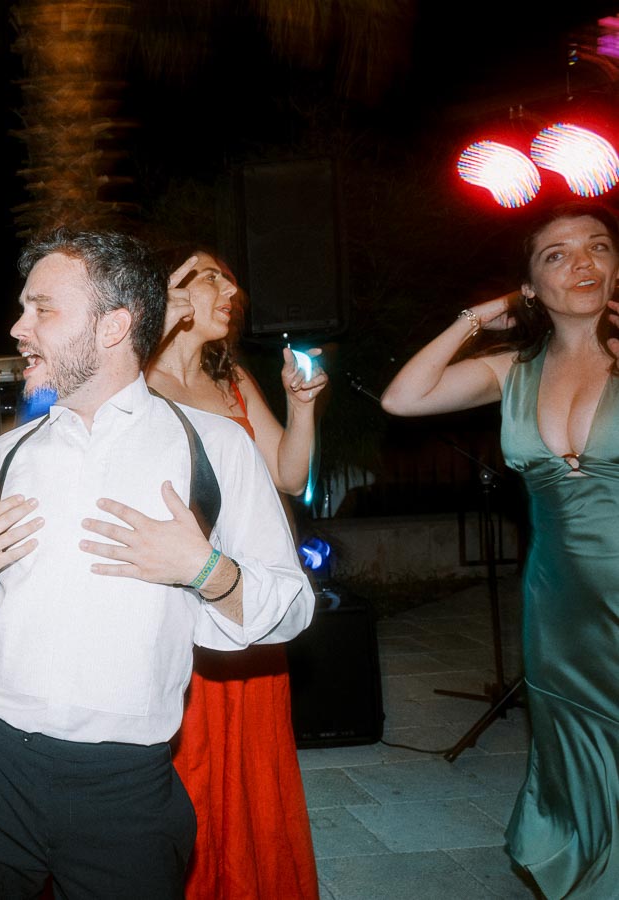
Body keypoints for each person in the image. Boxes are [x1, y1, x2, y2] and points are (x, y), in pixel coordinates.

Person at [0, 229, 315, 899]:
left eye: (43, 309)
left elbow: (292, 607)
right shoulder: (10, 454)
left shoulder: (214, 449)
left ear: (115, 325)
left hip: (125, 789)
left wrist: (206, 570)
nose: (18, 328)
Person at [382, 201, 619, 899]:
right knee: (575, 746)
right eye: (557, 254)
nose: (582, 262)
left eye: (598, 247)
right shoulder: (512, 368)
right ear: (531, 286)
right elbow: (403, 397)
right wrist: (479, 316)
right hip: (559, 602)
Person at [144, 248, 328, 900]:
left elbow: (291, 475)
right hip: (173, 597)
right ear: (165, 293)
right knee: (187, 762)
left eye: (228, 277)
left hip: (247, 595)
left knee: (250, 765)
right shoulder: (132, 383)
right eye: (208, 278)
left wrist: (300, 404)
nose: (231, 289)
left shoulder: (233, 381)